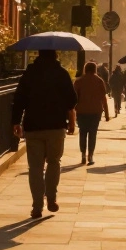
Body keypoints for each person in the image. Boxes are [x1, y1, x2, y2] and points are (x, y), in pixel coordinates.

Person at [11, 50, 77, 219]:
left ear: (38, 54)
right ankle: (52, 198)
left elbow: (19, 99)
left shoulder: (30, 74)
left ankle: (37, 206)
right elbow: (72, 100)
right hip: (56, 125)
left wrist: (16, 122)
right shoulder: (61, 73)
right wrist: (70, 119)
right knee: (54, 162)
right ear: (55, 55)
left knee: (35, 167)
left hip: (33, 126)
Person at [74, 62, 110, 165]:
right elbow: (103, 98)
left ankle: (82, 154)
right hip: (95, 111)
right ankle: (90, 155)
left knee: (83, 133)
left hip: (82, 111)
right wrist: (107, 113)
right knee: (93, 133)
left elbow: (74, 98)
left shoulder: (79, 81)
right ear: (95, 69)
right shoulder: (99, 81)